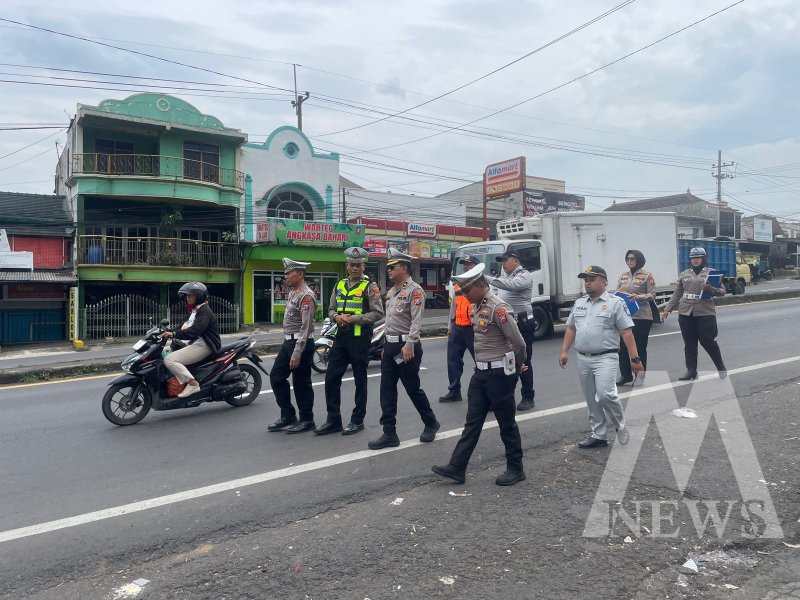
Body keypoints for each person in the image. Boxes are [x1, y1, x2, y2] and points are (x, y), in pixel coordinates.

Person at [432, 264, 528, 486]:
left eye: (467, 290)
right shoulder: (477, 305)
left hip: (499, 374)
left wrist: (516, 369)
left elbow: (519, 343)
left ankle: (516, 468)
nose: (465, 295)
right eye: (463, 291)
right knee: (472, 423)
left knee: (506, 424)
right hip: (481, 374)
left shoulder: (498, 308)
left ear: (480, 285)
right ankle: (457, 467)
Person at [559, 266, 643, 449]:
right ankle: (599, 434)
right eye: (585, 279)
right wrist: (564, 350)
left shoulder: (615, 303)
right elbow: (571, 328)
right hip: (582, 358)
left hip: (606, 357)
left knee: (605, 395)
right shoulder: (580, 303)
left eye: (592, 278)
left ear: (604, 282)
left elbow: (627, 333)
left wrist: (635, 360)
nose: (587, 282)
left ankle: (620, 427)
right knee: (591, 398)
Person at [368, 248, 440, 450]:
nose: (389, 270)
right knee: (387, 390)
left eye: (393, 267)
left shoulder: (415, 291)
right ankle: (389, 433)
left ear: (404, 268)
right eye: (388, 267)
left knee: (412, 388)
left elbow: (416, 322)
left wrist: (409, 344)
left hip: (407, 346)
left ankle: (431, 422)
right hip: (390, 346)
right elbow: (389, 323)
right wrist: (385, 346)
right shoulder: (391, 292)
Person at [315, 247, 384, 436]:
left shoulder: (370, 287)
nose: (354, 268)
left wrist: (353, 319)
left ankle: (357, 420)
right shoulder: (339, 285)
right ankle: (333, 420)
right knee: (331, 378)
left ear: (363, 266)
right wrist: (336, 316)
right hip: (341, 337)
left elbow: (378, 313)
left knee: (360, 380)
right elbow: (329, 309)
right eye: (351, 265)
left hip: (360, 338)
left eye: (358, 265)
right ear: (347, 266)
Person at [267, 258, 317, 434]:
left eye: (289, 273)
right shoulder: (292, 292)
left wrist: (297, 352)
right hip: (288, 342)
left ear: (300, 274)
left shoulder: (306, 296)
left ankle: (307, 419)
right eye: (285, 273)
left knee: (301, 383)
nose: (285, 276)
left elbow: (306, 327)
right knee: (276, 377)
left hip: (301, 344)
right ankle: (287, 415)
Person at [661, 247, 727, 381]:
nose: (695, 260)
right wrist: (668, 309)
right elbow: (677, 293)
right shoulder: (684, 274)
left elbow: (722, 291)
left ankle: (720, 367)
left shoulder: (711, 273)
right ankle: (691, 371)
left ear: (703, 259)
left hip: (705, 313)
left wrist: (711, 288)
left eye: (698, 258)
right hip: (686, 313)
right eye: (693, 258)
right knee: (689, 344)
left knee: (707, 341)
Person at [485, 250, 536, 411]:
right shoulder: (504, 277)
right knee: (506, 360)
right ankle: (504, 398)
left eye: (505, 260)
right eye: (502, 261)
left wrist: (486, 278)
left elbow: (512, 286)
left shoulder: (524, 275)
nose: (503, 264)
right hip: (507, 322)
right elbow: (496, 294)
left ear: (515, 260)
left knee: (524, 360)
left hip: (522, 322)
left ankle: (528, 397)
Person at [162, 281, 221, 398]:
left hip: (205, 345)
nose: (187, 298)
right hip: (194, 343)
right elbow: (183, 326)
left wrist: (173, 334)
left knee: (169, 360)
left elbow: (195, 331)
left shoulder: (204, 311)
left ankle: (192, 383)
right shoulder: (195, 310)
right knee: (163, 352)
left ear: (199, 297)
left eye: (190, 296)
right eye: (187, 296)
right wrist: (168, 331)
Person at [439, 254, 479, 403]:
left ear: (476, 266)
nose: (466, 266)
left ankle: (488, 392)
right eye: (465, 264)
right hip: (457, 326)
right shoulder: (458, 284)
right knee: (453, 360)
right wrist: (450, 325)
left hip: (473, 328)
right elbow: (453, 306)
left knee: (481, 360)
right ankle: (454, 391)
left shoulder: (480, 283)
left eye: (469, 264)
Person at [615, 249, 656, 385]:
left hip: (642, 317)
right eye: (628, 259)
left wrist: (638, 297)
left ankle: (640, 376)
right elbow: (617, 293)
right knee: (623, 347)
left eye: (632, 259)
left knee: (639, 347)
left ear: (639, 260)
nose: (630, 261)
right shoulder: (623, 276)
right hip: (626, 316)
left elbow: (652, 295)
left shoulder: (647, 275)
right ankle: (625, 375)